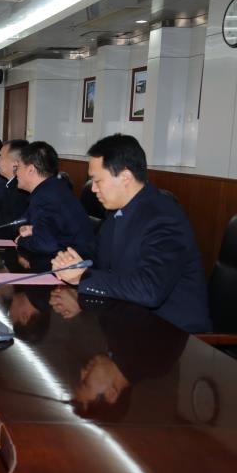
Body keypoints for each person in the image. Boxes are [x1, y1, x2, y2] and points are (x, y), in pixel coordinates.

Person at [50, 134, 210, 333]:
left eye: (98, 181)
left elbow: (150, 289)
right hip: (128, 322)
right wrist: (74, 262)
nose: (93, 189)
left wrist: (83, 277)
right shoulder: (118, 212)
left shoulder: (164, 217)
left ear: (125, 176)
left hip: (173, 335)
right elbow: (98, 255)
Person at [14, 141, 95, 262]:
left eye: (18, 167)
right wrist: (30, 230)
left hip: (77, 265)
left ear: (31, 170)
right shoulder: (51, 188)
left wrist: (21, 240)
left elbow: (44, 244)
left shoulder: (46, 196)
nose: (16, 173)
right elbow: (23, 222)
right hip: (62, 259)